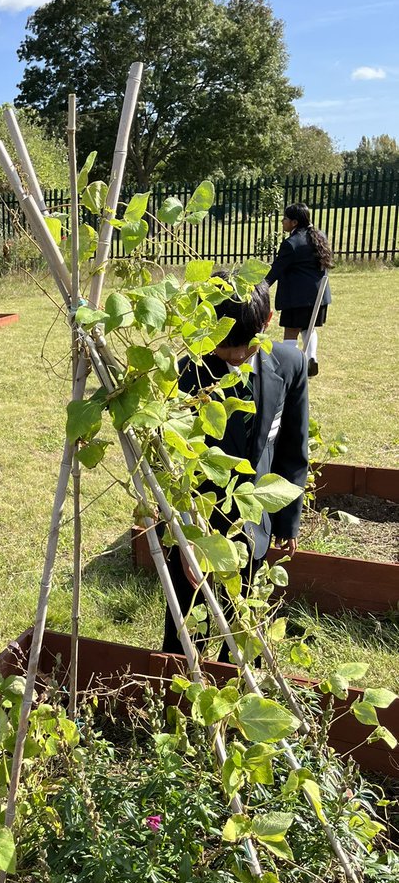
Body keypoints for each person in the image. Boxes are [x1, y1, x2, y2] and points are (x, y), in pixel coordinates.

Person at [160, 278, 308, 659]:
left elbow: (292, 446)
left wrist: (289, 519)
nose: (233, 358)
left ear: (268, 322)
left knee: (241, 624)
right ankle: (180, 685)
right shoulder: (187, 374)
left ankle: (238, 681)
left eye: (241, 351)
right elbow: (173, 463)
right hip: (197, 517)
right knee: (184, 622)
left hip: (252, 523)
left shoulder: (289, 365)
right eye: (223, 350)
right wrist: (189, 538)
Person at [266, 202, 333, 377]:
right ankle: (311, 357)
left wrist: (261, 288)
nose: (282, 221)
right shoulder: (320, 236)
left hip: (296, 297)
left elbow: (276, 269)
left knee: (291, 331)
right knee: (308, 329)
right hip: (319, 296)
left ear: (294, 222)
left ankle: (292, 367)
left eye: (285, 218)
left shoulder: (291, 243)